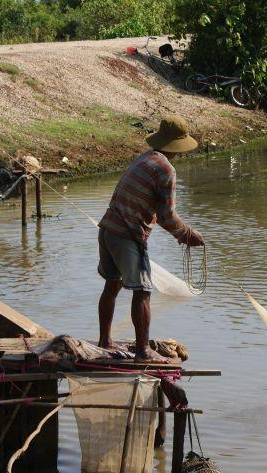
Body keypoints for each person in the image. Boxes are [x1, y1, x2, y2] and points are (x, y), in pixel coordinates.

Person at [96, 115, 204, 362]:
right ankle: (144, 352)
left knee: (112, 284)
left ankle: (105, 339)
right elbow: (167, 216)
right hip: (127, 236)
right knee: (143, 291)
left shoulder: (145, 158)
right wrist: (188, 235)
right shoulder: (166, 169)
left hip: (108, 230)